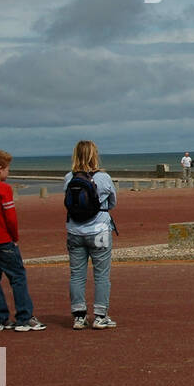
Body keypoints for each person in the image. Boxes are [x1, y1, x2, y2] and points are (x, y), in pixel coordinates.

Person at [0, 150, 42, 331]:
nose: (8, 172)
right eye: (7, 168)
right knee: (18, 277)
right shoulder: (4, 189)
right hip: (4, 239)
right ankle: (24, 317)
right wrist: (15, 237)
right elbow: (10, 218)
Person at [64, 140, 118, 330]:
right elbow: (112, 203)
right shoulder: (104, 178)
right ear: (95, 155)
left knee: (77, 274)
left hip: (74, 231)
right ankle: (100, 315)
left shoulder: (69, 178)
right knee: (101, 274)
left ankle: (79, 316)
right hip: (99, 231)